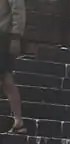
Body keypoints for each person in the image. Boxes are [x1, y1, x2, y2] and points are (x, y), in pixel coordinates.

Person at [1, 0, 24, 135]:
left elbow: (18, 11)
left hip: (3, 37)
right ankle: (18, 121)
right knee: (6, 80)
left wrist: (16, 36)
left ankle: (18, 120)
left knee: (5, 78)